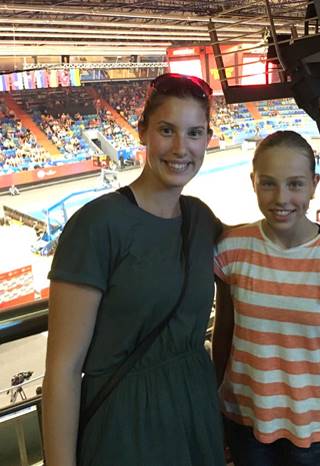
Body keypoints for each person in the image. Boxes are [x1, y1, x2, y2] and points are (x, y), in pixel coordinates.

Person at [42, 73, 226, 466]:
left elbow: (261, 247)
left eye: (194, 133)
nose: (181, 148)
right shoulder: (96, 225)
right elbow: (62, 370)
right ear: (142, 131)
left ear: (207, 139)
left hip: (195, 414)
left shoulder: (200, 218)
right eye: (166, 130)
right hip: (125, 427)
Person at [213, 131, 320, 466]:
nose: (281, 198)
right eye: (268, 184)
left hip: (312, 430)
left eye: (295, 184)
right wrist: (215, 405)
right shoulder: (231, 249)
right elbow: (225, 334)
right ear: (253, 182)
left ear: (314, 185)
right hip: (243, 420)